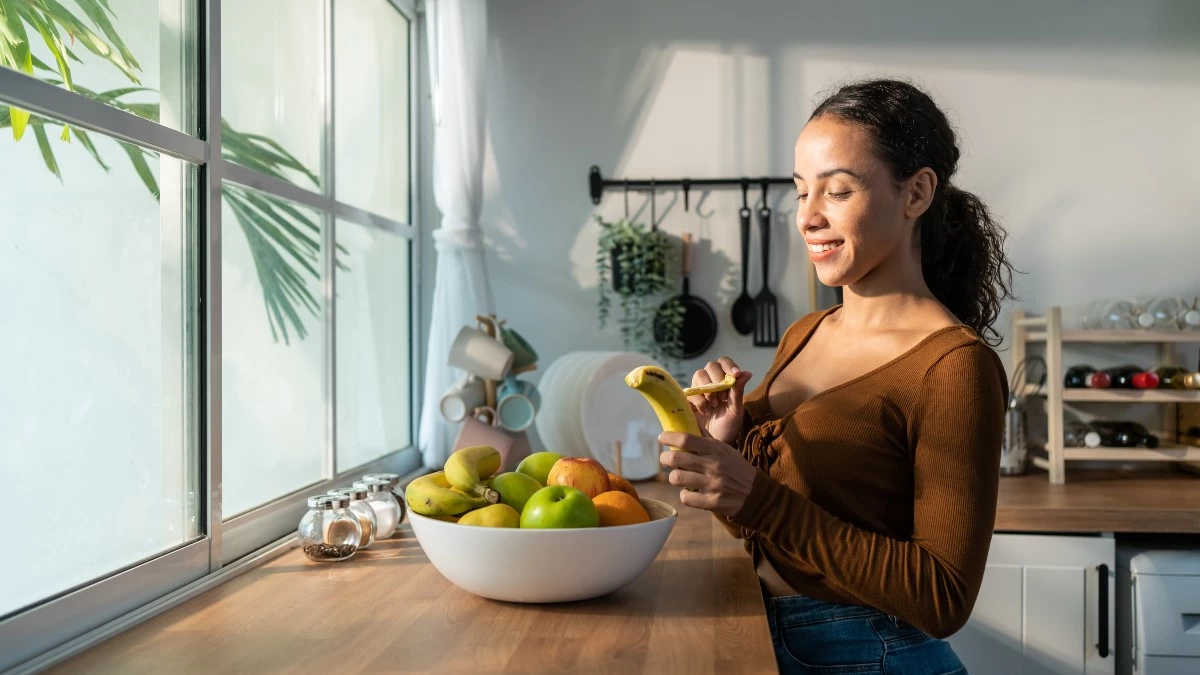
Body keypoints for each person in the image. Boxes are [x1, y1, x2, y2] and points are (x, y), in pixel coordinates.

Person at [657, 79, 1014, 675]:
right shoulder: (806, 332)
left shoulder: (955, 368)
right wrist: (726, 448)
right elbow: (769, 534)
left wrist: (757, 495)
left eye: (838, 191)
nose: (809, 218)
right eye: (800, 193)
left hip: (871, 654)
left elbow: (945, 596)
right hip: (769, 636)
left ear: (917, 193)